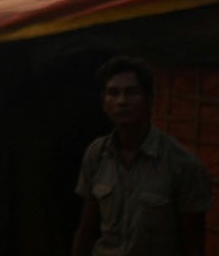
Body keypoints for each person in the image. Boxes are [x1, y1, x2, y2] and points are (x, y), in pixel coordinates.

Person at [72, 56, 210, 256]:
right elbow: (86, 230)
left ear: (149, 100)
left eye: (132, 92)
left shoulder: (181, 164)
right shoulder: (97, 154)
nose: (122, 101)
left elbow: (194, 245)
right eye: (114, 93)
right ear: (104, 103)